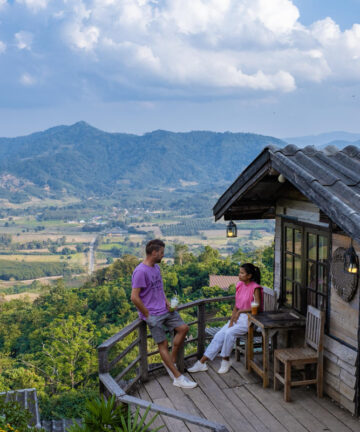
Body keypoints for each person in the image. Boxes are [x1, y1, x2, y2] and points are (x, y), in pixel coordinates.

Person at [131, 239, 197, 389]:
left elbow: (159, 288)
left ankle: (171, 359)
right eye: (161, 252)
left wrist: (166, 301)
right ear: (154, 253)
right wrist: (147, 315)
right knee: (163, 344)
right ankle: (178, 377)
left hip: (165, 309)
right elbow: (134, 297)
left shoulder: (156, 268)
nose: (163, 255)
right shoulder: (140, 271)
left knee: (183, 328)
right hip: (153, 315)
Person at [188, 263, 262, 374]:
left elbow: (257, 307)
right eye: (239, 272)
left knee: (229, 333)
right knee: (219, 334)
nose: (239, 275)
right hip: (238, 317)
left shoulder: (255, 288)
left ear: (249, 275)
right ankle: (202, 363)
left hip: (251, 319)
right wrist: (231, 320)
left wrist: (241, 312)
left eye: (242, 273)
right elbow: (236, 305)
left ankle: (225, 360)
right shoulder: (240, 285)